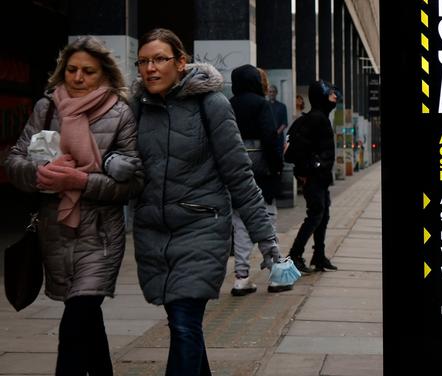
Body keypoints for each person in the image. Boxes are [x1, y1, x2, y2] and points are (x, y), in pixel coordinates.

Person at [130, 28, 280, 376]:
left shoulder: (211, 105)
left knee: (184, 325)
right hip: (154, 234)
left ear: (181, 63)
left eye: (160, 59)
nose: (150, 68)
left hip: (201, 228)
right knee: (184, 328)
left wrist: (267, 239)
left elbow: (240, 176)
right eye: (144, 61)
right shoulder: (136, 108)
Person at [4, 36, 143, 376]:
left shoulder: (120, 113)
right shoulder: (46, 108)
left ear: (104, 74)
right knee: (87, 322)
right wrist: (40, 174)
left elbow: (132, 183)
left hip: (100, 235)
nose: (78, 78)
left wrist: (79, 182)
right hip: (55, 231)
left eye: (88, 72)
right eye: (72, 70)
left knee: (75, 320)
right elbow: (14, 161)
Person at [229, 64, 290, 294]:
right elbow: (270, 138)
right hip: (262, 173)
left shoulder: (229, 104)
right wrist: (277, 166)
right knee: (266, 222)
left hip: (236, 173)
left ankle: (241, 278)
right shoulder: (261, 104)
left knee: (240, 225)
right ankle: (276, 276)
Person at [287, 79, 340, 274]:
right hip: (314, 177)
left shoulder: (320, 117)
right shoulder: (316, 119)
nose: (335, 97)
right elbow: (301, 148)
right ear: (322, 97)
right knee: (315, 215)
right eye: (331, 94)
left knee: (323, 215)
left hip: (319, 177)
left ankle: (319, 256)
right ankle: (295, 255)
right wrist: (306, 171)